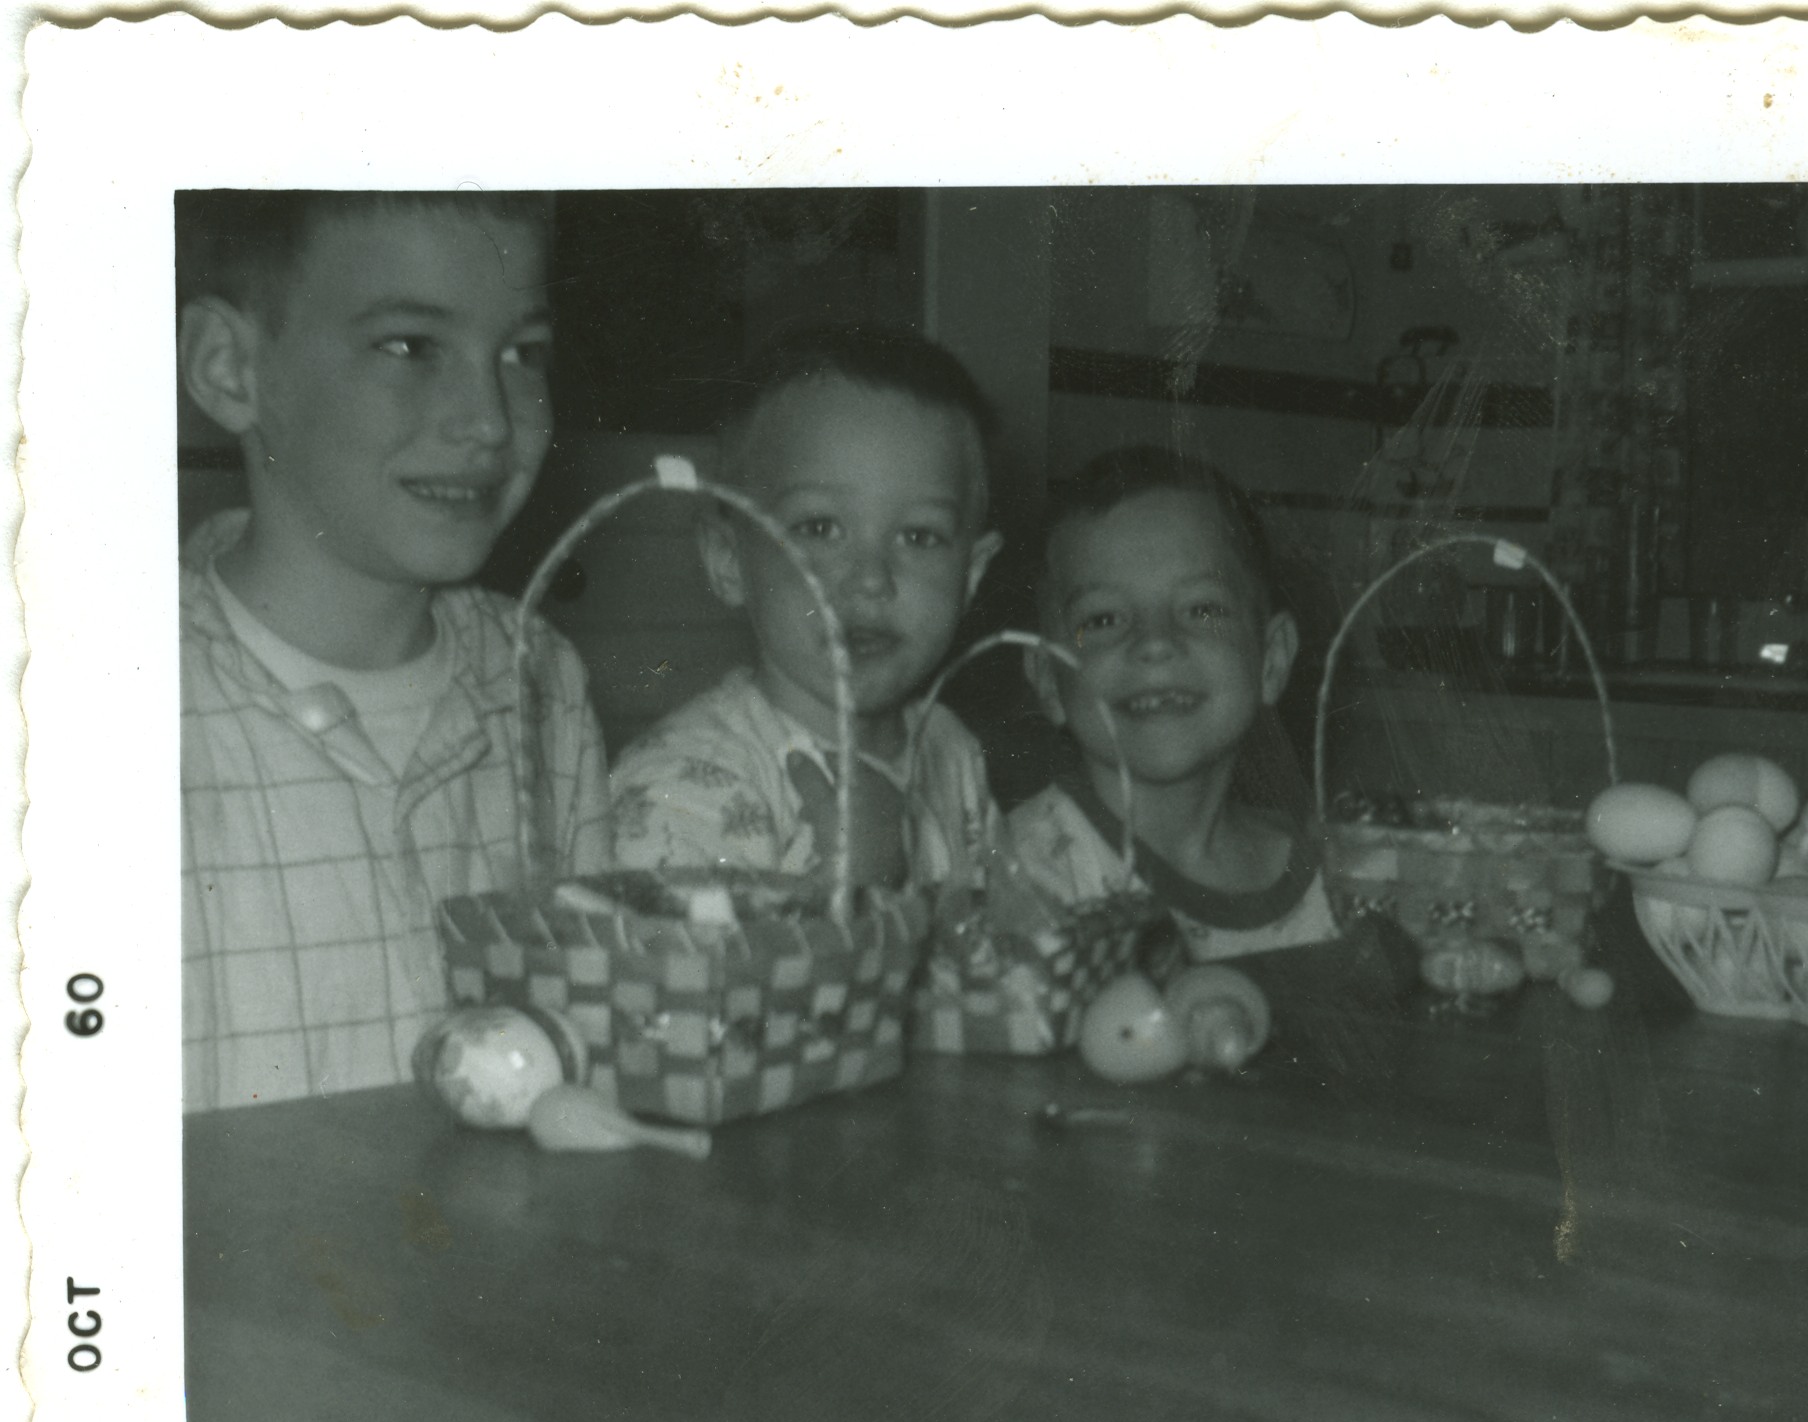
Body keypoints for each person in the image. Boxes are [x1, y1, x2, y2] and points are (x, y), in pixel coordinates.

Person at [177, 190, 610, 1112]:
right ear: (229, 367)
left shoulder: (541, 681)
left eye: (522, 354)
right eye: (411, 347)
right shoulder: (96, 706)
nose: (489, 421)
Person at [609, 326, 1005, 892]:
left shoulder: (950, 748)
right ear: (728, 559)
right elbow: (659, 947)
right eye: (819, 528)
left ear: (971, 575)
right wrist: (857, 892)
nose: (871, 580)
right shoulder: (681, 783)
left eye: (919, 536)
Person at [1006, 446, 1340, 961]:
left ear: (1271, 661)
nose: (1155, 643)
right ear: (1049, 680)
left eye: (1202, 609)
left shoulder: (1340, 873)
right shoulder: (1017, 879)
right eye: (1103, 619)